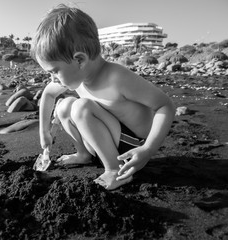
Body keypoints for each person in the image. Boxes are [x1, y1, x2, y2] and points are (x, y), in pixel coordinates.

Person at [30, 4, 175, 190]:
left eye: (55, 71)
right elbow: (48, 94)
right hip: (103, 143)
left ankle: (114, 171)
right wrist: (44, 131)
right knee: (64, 105)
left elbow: (165, 106)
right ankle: (84, 154)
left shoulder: (117, 78)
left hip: (129, 152)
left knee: (81, 107)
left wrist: (148, 150)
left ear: (80, 60)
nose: (52, 79)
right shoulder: (79, 75)